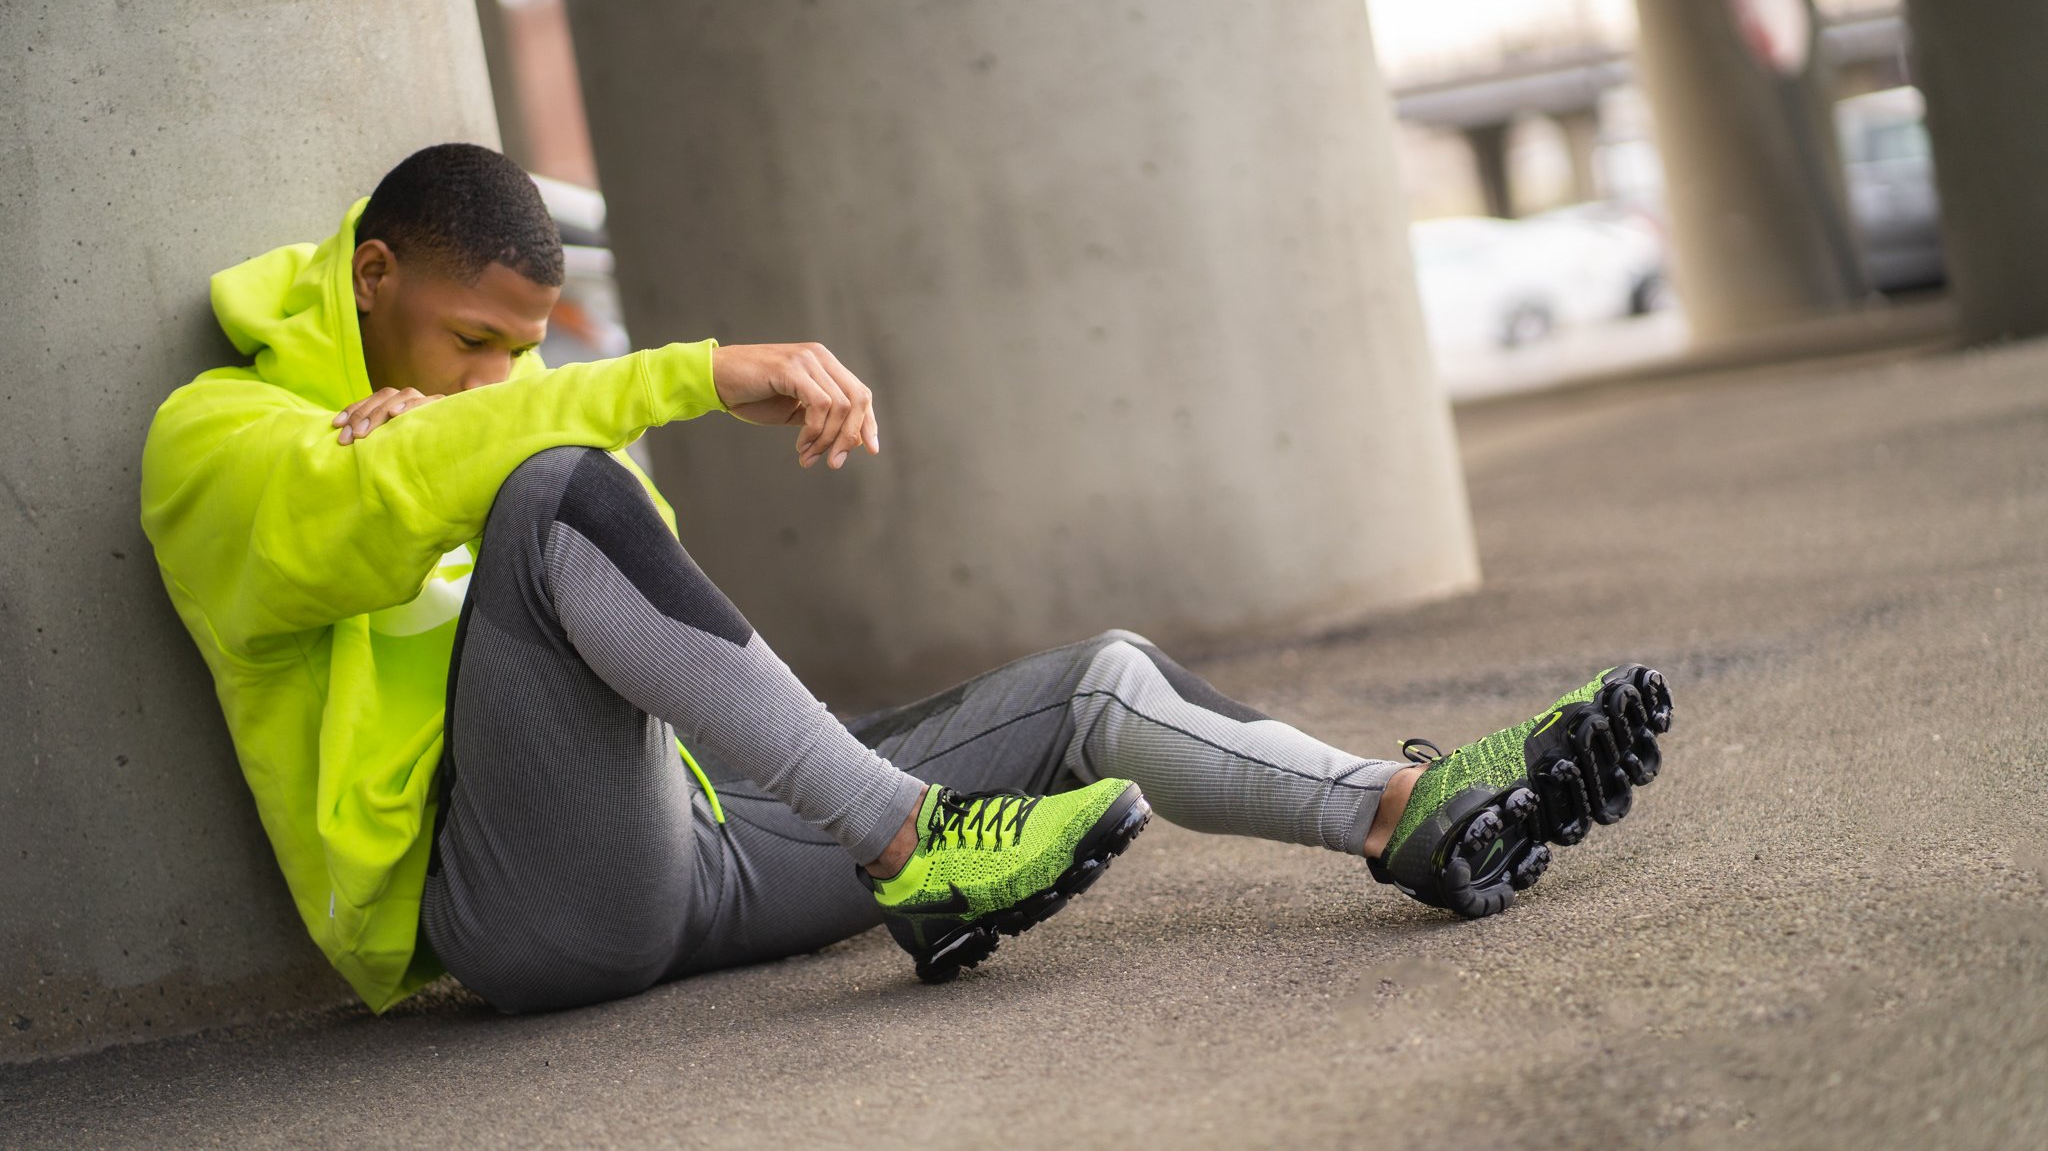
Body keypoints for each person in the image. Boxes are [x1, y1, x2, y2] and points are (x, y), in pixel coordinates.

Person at [139, 143, 1674, 1016]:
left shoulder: (468, 420)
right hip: (516, 910)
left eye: (525, 352)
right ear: (370, 274)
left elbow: (624, 583)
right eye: (473, 341)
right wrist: (658, 381)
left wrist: (475, 420)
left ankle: (1401, 815)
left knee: (1095, 679)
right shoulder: (218, 441)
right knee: (559, 483)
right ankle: (908, 843)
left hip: (698, 845)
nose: (495, 375)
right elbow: (408, 508)